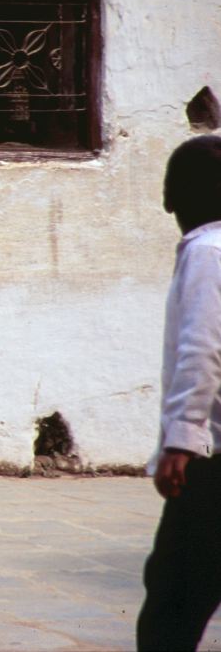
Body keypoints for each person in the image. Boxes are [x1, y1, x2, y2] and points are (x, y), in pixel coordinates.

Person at [136, 134, 221, 651]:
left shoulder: (207, 254)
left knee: (173, 592)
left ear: (172, 198)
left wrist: (182, 439)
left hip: (212, 458)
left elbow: (202, 351)